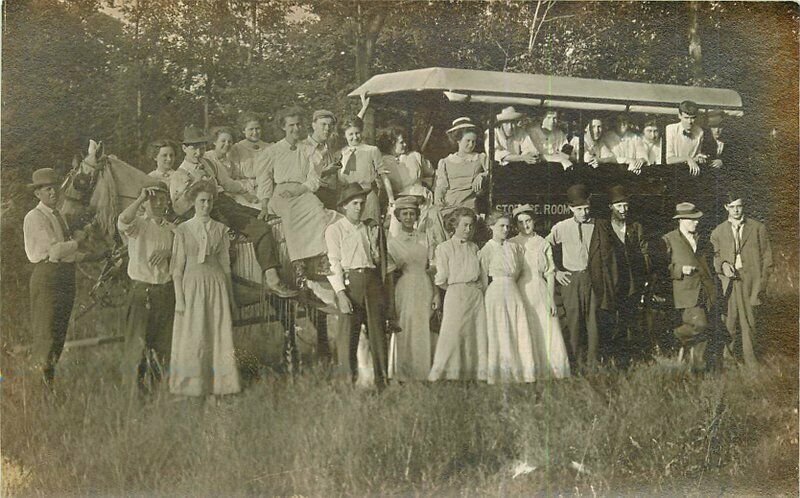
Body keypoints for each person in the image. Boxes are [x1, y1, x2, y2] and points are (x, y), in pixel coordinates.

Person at [170, 124, 295, 297]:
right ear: (184, 148)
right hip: (209, 211)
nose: (199, 153)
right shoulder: (180, 175)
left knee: (272, 218)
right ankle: (271, 279)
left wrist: (249, 191)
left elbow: (227, 183)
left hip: (227, 203)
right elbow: (178, 208)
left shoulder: (209, 163)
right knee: (261, 228)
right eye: (194, 149)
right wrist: (195, 184)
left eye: (202, 147)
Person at [169, 180, 241, 397]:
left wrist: (230, 298)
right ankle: (191, 386)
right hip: (191, 286)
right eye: (202, 201)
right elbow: (177, 269)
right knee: (193, 334)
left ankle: (221, 385)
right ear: (193, 202)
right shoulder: (182, 229)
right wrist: (179, 299)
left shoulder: (220, 229)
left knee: (217, 333)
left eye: (209, 201)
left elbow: (226, 267)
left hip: (216, 284)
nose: (206, 205)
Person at [23, 168, 89, 387]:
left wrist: (91, 255)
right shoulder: (34, 217)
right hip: (47, 276)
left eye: (54, 188)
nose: (53, 192)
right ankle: (37, 391)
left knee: (58, 334)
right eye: (47, 189)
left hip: (63, 276)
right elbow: (55, 252)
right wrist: (78, 240)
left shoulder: (57, 215)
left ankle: (47, 387)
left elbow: (68, 254)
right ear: (37, 194)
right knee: (46, 334)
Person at [325, 183, 393, 388]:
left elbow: (378, 260)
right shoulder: (334, 230)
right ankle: (346, 382)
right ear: (344, 206)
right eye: (354, 203)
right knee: (347, 336)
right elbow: (333, 263)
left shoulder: (369, 228)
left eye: (362, 204)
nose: (359, 208)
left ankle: (382, 382)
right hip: (350, 283)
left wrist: (376, 245)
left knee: (378, 334)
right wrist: (341, 293)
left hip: (371, 282)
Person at [257, 107, 337, 268]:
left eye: (299, 124)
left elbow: (314, 179)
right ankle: (297, 261)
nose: (296, 129)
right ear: (283, 127)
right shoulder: (273, 151)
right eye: (291, 125)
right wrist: (264, 205)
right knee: (289, 213)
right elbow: (264, 179)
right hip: (282, 192)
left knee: (317, 209)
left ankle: (321, 256)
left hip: (303, 191)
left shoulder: (309, 150)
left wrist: (300, 190)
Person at [117, 183, 175, 394]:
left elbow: (185, 254)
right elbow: (122, 221)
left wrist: (169, 252)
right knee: (137, 348)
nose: (159, 203)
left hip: (166, 293)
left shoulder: (171, 229)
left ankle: (160, 396)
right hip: (143, 293)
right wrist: (140, 199)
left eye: (162, 199)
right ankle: (134, 399)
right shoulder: (139, 225)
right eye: (154, 199)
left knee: (164, 347)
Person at [589, 185, 651, 367]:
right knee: (609, 323)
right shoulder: (603, 226)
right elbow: (597, 257)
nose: (623, 210)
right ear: (611, 207)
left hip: (630, 283)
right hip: (609, 283)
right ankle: (609, 360)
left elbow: (644, 252)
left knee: (628, 322)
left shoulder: (635, 227)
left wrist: (643, 276)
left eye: (625, 205)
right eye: (619, 206)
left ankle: (626, 361)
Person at [710, 193, 773, 366]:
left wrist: (761, 285)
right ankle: (728, 362)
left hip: (750, 282)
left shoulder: (757, 228)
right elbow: (715, 257)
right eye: (732, 207)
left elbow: (767, 259)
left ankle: (751, 363)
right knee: (729, 321)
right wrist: (723, 265)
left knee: (749, 322)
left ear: (743, 206)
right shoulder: (718, 232)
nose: (736, 210)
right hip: (729, 282)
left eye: (739, 206)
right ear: (726, 208)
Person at [510, 204, 570, 380]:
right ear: (516, 225)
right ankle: (527, 371)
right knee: (524, 329)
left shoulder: (543, 243)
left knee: (545, 328)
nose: (525, 226)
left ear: (533, 221)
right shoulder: (513, 243)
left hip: (540, 289)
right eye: (520, 223)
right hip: (520, 289)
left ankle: (552, 370)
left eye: (528, 221)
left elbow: (550, 273)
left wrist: (550, 299)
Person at [429, 207, 488, 382]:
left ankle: (474, 374)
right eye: (464, 225)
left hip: (475, 295)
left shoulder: (474, 247)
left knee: (475, 333)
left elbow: (480, 273)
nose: (468, 230)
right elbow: (440, 279)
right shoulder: (444, 248)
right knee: (452, 333)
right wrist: (456, 288)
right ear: (454, 225)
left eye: (471, 226)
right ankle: (443, 374)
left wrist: (476, 288)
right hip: (456, 293)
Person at [546, 184, 600, 370]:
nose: (583, 212)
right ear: (570, 209)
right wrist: (556, 271)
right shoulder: (561, 227)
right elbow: (544, 249)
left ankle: (593, 365)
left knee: (593, 321)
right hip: (571, 280)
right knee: (573, 320)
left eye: (586, 208)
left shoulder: (597, 225)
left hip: (592, 279)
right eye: (578, 209)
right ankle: (573, 364)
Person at [479, 210, 536, 384]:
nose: (505, 229)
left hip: (513, 291)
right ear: (491, 227)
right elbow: (483, 278)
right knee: (499, 330)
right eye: (501, 226)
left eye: (507, 226)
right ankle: (499, 374)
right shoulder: (486, 249)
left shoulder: (515, 247)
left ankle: (522, 373)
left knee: (517, 328)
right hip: (495, 293)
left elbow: (518, 270)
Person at [387, 196, 439, 381]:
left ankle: (424, 371)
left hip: (424, 285)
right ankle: (404, 372)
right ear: (398, 217)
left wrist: (435, 294)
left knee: (423, 326)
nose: (409, 217)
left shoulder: (425, 238)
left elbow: (432, 268)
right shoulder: (392, 243)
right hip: (405, 287)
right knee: (406, 325)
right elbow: (391, 274)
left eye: (412, 213)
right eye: (405, 213)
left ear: (417, 216)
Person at [662, 202, 718, 372]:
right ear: (682, 220)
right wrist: (680, 269)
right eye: (693, 219)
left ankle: (698, 368)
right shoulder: (668, 239)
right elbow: (660, 267)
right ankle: (672, 335)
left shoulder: (701, 238)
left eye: (697, 219)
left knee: (704, 331)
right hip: (685, 292)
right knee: (700, 325)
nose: (697, 222)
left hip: (705, 290)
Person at [338, 115, 392, 222]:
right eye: (351, 134)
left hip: (367, 196)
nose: (355, 137)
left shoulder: (371, 150)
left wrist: (391, 198)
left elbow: (383, 175)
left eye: (357, 133)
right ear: (344, 135)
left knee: (371, 229)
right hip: (348, 198)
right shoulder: (341, 153)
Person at [434, 118, 488, 216]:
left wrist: (482, 175)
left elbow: (493, 173)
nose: (471, 144)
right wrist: (438, 200)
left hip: (469, 206)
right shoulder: (445, 162)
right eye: (467, 141)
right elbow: (441, 186)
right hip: (449, 205)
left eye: (473, 141)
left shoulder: (480, 158)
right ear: (458, 140)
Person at [203, 127, 260, 208]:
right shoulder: (208, 158)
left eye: (230, 142)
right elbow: (226, 183)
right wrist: (245, 191)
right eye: (223, 141)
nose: (227, 144)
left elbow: (236, 178)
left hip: (231, 193)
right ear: (215, 142)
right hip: (214, 196)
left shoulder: (229, 160)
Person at [377, 126, 435, 196]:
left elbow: (432, 173)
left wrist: (428, 185)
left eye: (405, 141)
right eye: (401, 142)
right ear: (392, 143)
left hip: (422, 199)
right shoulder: (383, 162)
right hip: (400, 202)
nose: (405, 144)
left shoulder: (415, 156)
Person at [304, 109, 342, 209]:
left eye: (330, 125)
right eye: (323, 124)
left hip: (331, 198)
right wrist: (325, 171)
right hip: (312, 199)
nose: (327, 128)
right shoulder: (303, 148)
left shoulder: (330, 146)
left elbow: (352, 129)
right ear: (314, 125)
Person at [666, 100, 710, 177]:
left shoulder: (700, 131)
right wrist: (688, 159)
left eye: (692, 118)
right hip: (673, 173)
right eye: (686, 118)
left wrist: (700, 157)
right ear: (679, 116)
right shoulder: (671, 129)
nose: (689, 122)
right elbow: (669, 160)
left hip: (692, 172)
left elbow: (697, 154)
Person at [228, 112, 271, 183]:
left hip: (266, 186)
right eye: (251, 129)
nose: (255, 132)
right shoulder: (236, 148)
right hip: (244, 187)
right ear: (243, 130)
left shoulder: (269, 147)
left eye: (257, 128)